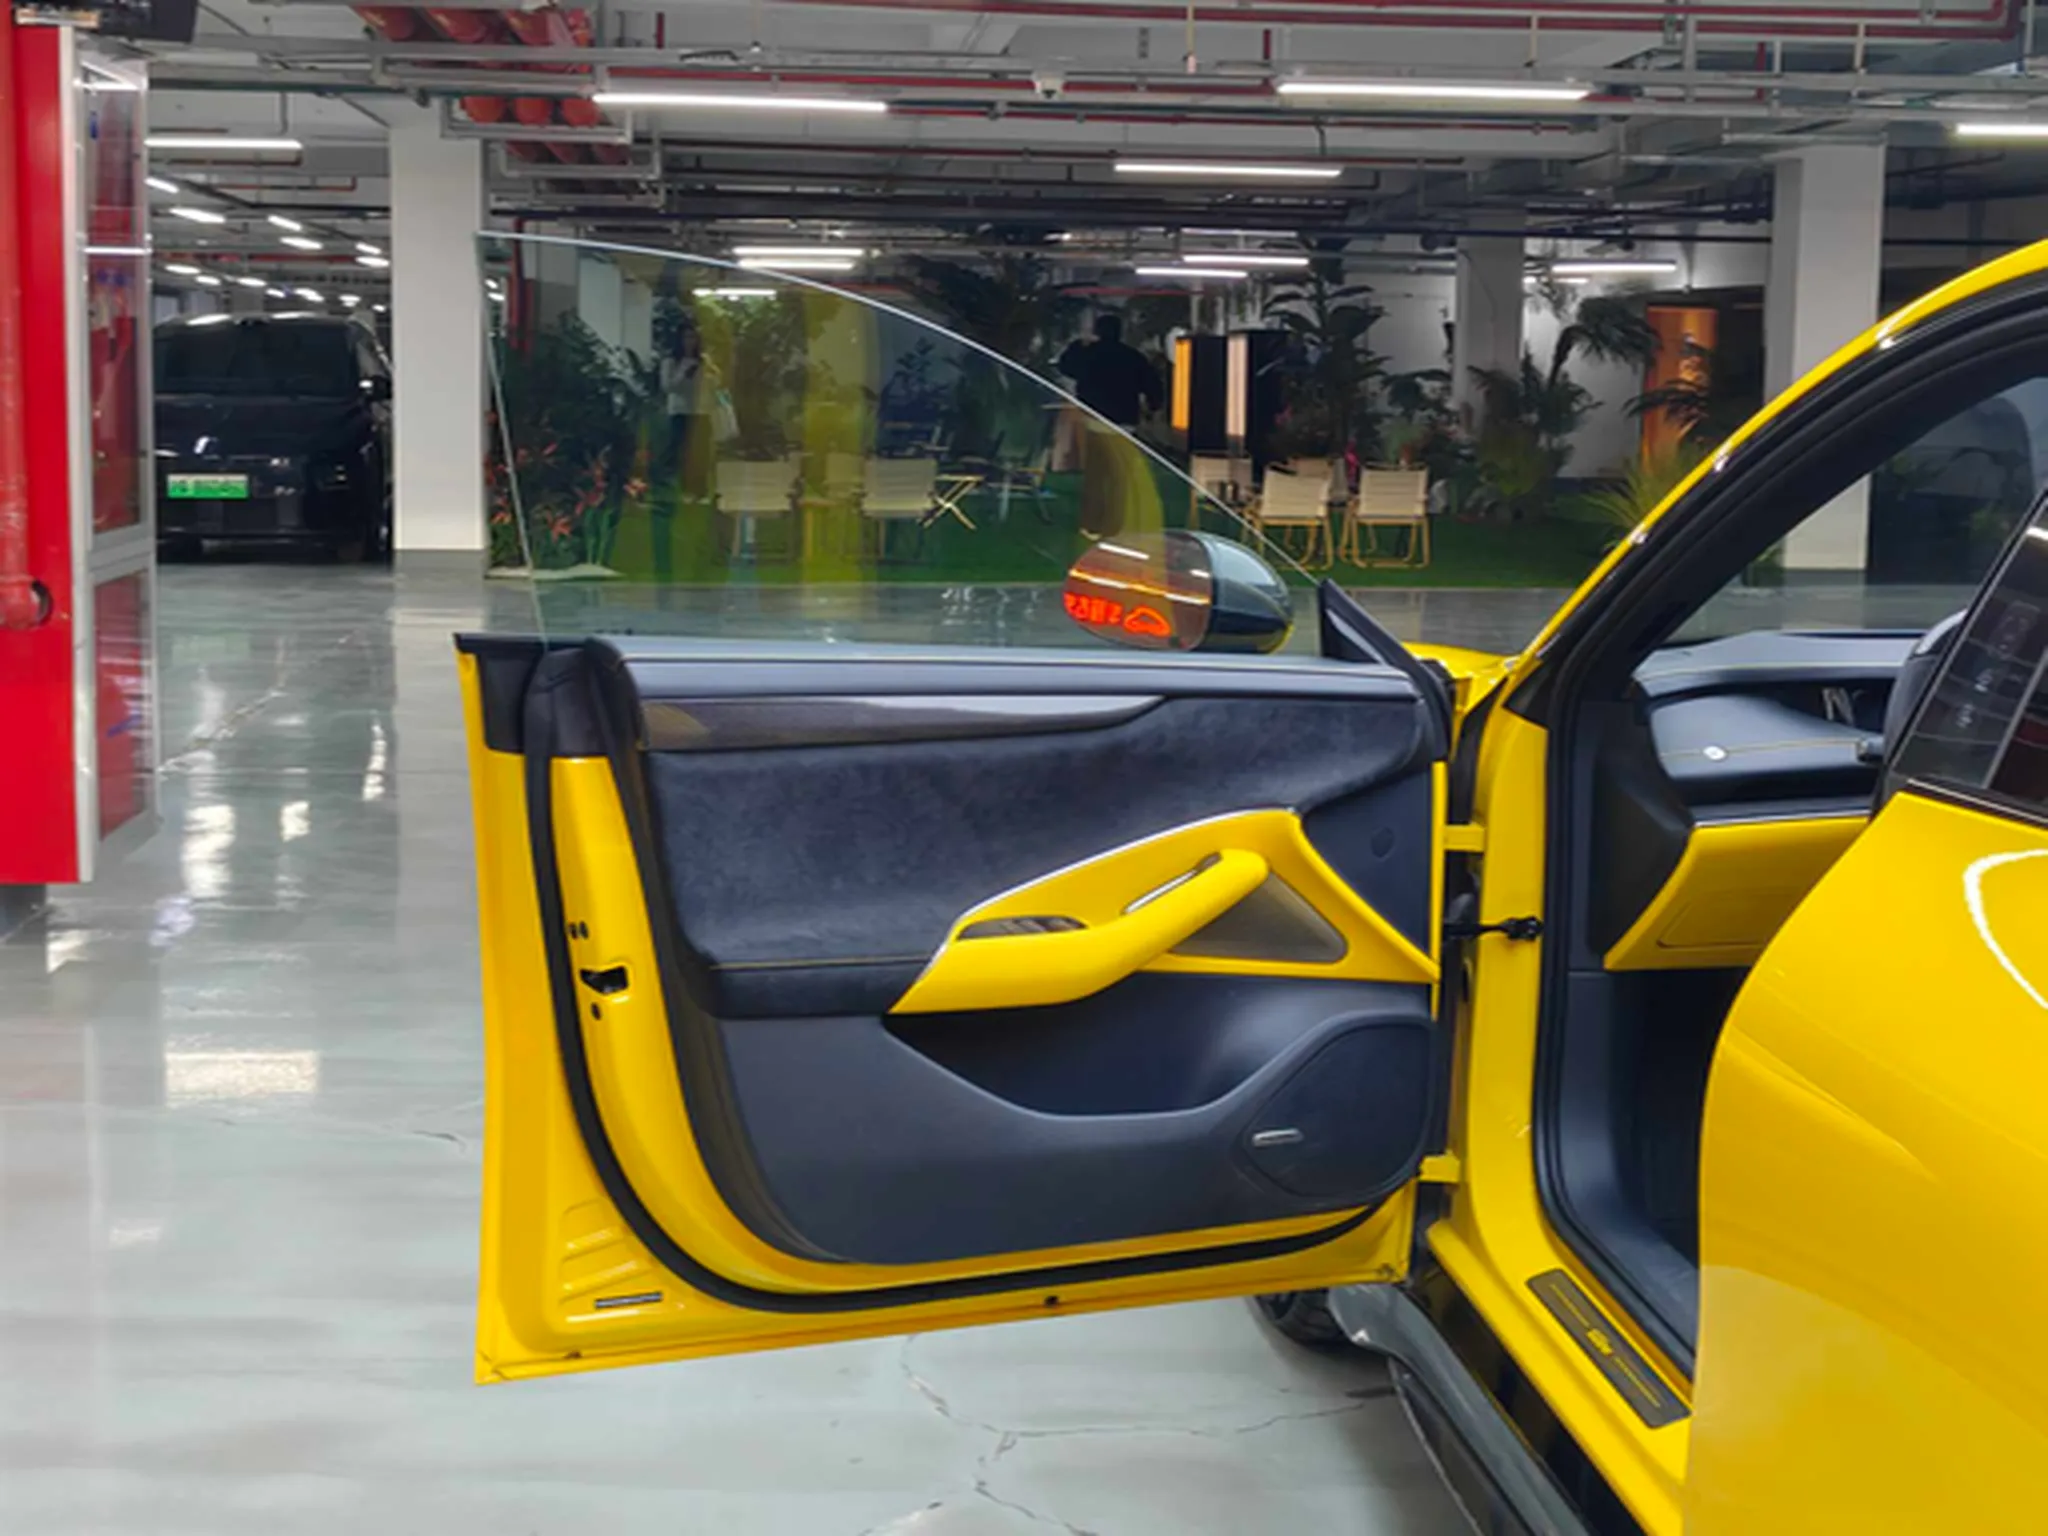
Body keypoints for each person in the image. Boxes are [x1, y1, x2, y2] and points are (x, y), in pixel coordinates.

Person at [1056, 313, 1163, 426]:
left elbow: (1065, 367)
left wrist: (1076, 346)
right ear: (1119, 332)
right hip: (1122, 419)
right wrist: (1153, 407)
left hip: (1090, 415)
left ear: (1097, 331)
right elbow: (1152, 385)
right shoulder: (1132, 356)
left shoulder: (1087, 353)